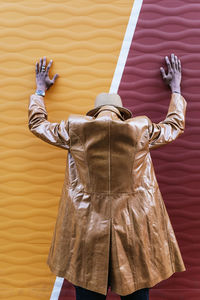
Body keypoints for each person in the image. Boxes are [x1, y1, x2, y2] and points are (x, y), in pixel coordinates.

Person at [28, 53, 187, 300]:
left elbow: (37, 124)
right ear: (121, 113)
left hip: (88, 231)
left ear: (95, 112)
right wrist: (175, 89)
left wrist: (39, 91)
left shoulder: (75, 129)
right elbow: (174, 125)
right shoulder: (141, 129)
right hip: (133, 231)